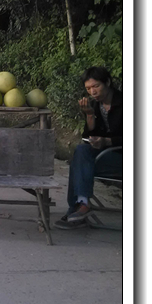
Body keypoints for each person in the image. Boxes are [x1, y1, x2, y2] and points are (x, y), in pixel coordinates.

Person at [55, 66, 123, 229]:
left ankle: (76, 209)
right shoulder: (95, 105)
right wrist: (90, 115)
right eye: (88, 88)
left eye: (96, 86)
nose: (93, 91)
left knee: (79, 162)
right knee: (81, 153)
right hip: (104, 157)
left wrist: (107, 142)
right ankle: (82, 205)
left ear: (107, 82)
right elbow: (88, 137)